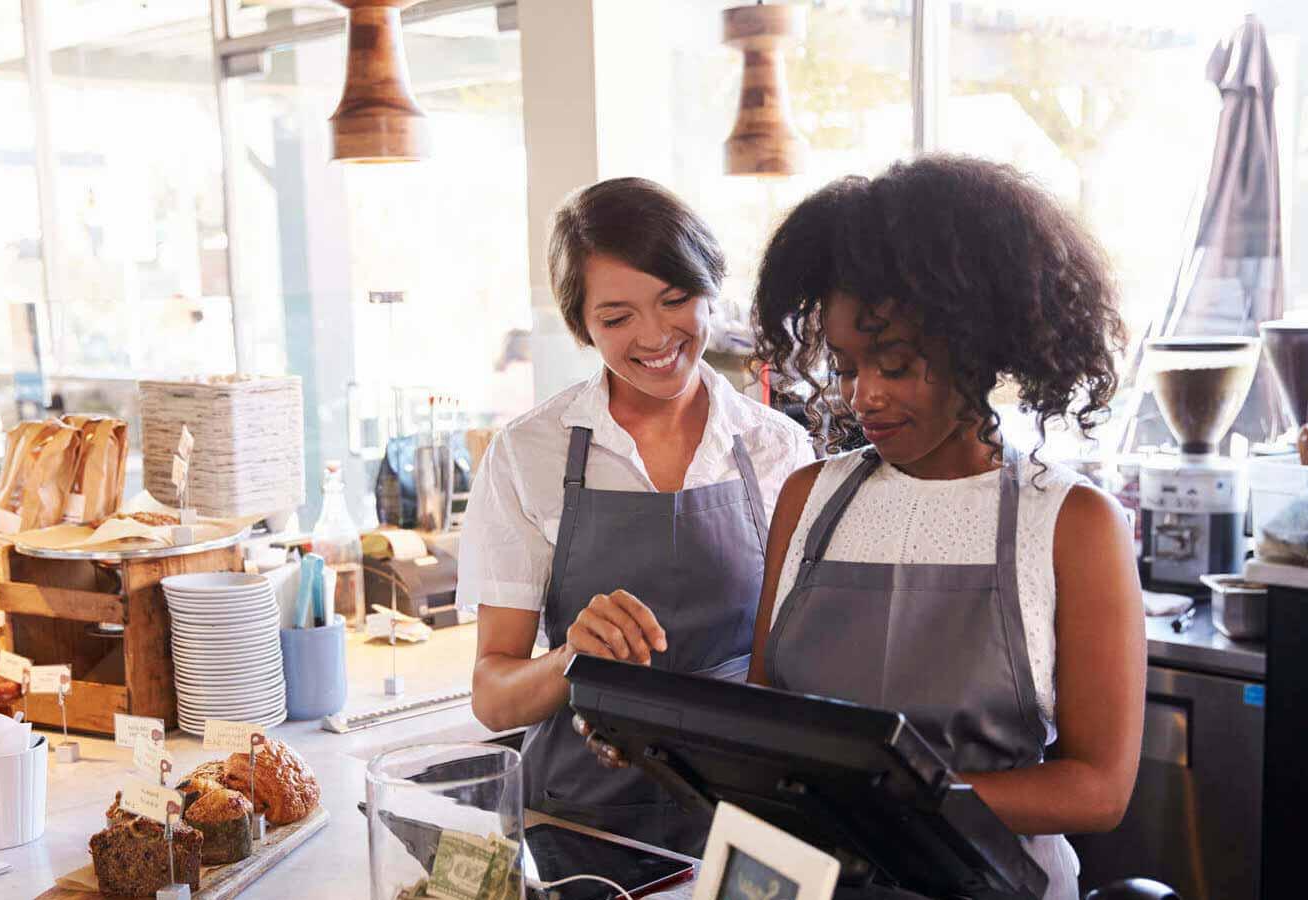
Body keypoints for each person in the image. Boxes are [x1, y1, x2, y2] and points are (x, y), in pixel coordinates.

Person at [582, 157, 1144, 897]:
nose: (865, 397)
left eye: (897, 363)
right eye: (847, 367)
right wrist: (647, 725)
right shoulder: (810, 496)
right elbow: (768, 722)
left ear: (977, 347)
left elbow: (1099, 789)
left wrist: (885, 801)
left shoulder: (1071, 523)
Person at [458, 177, 816, 855]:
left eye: (675, 300)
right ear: (582, 327)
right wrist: (572, 661)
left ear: (711, 287)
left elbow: (802, 666)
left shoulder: (778, 448)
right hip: (578, 818)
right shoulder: (527, 455)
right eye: (617, 318)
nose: (655, 336)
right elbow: (494, 697)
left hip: (742, 816)